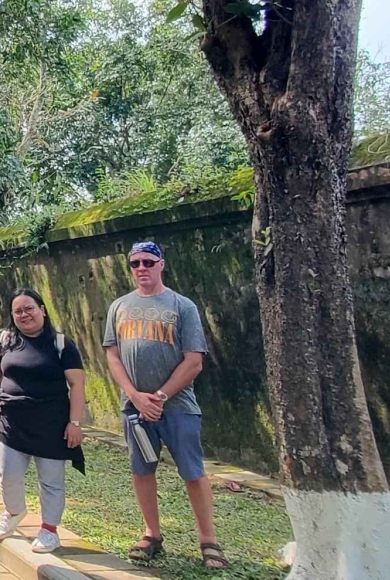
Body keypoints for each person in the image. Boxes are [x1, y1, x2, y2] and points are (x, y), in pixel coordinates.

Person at [103, 241, 224, 569]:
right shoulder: (119, 307)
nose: (141, 268)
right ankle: (152, 534)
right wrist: (135, 395)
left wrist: (159, 397)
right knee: (142, 471)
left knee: (193, 472)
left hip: (176, 407)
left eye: (148, 262)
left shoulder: (182, 306)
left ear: (161, 264)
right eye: (135, 263)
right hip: (136, 409)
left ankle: (208, 539)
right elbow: (112, 355)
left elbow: (194, 361)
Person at [0, 288, 86, 555]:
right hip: (12, 423)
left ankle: (49, 530)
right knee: (7, 476)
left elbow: (77, 384)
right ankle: (14, 511)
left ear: (42, 310)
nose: (24, 314)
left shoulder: (61, 344)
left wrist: (75, 423)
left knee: (51, 481)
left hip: (51, 425)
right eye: (18, 311)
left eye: (29, 308)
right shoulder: (4, 340)